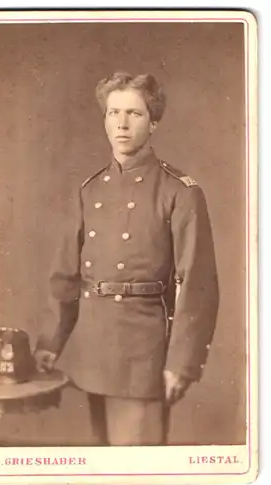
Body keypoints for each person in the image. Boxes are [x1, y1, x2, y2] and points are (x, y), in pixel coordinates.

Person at [35, 72, 219, 446]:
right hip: (90, 354)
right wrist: (50, 343)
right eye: (113, 112)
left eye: (133, 114)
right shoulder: (89, 189)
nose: (121, 123)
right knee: (100, 470)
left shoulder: (179, 192)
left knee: (136, 470)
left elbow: (197, 285)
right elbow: (66, 276)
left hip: (143, 358)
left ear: (153, 122)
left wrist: (181, 363)